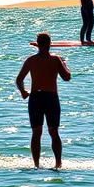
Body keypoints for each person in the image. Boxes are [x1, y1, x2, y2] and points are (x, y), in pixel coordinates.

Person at [16, 33, 71, 169]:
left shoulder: (31, 60)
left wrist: (23, 92)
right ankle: (58, 164)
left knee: (37, 132)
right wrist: (64, 64)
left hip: (36, 97)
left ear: (37, 44)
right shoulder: (55, 59)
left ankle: (36, 165)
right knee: (53, 131)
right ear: (50, 44)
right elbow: (67, 77)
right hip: (51, 98)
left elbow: (19, 80)